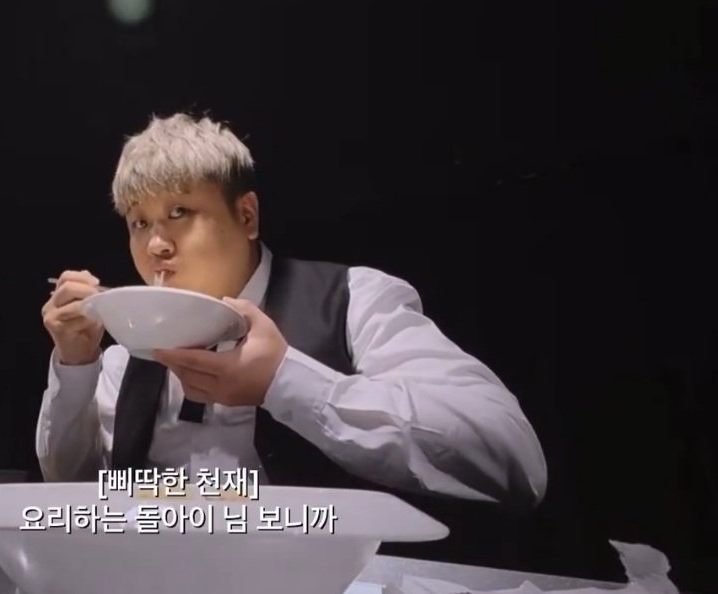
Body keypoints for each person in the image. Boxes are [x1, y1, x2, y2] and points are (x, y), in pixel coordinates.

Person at [37, 113, 548, 561]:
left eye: (179, 213)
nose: (156, 246)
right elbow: (75, 495)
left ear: (246, 216)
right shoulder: (128, 354)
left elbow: (515, 463)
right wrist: (77, 365)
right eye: (138, 222)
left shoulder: (353, 300)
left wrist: (285, 382)